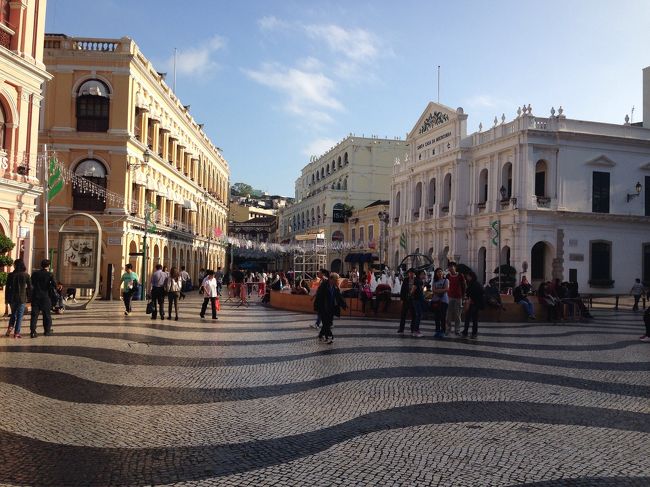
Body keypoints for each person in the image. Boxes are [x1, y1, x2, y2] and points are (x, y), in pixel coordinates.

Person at [313, 271, 347, 344]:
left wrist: (344, 304)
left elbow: (339, 297)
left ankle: (321, 334)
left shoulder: (335, 287)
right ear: (331, 279)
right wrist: (317, 307)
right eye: (336, 280)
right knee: (326, 323)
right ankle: (329, 336)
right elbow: (319, 296)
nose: (337, 282)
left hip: (331, 308)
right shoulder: (324, 285)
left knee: (328, 323)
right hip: (323, 308)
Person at [29, 259, 56, 338]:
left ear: (41, 265)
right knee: (46, 314)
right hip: (45, 296)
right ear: (48, 266)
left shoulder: (34, 274)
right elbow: (54, 285)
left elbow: (32, 283)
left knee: (34, 315)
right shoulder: (50, 274)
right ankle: (47, 331)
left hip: (35, 296)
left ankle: (33, 331)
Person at [5, 258, 30, 339]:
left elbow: (7, 288)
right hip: (22, 298)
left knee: (13, 314)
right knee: (19, 316)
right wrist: (29, 297)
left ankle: (10, 328)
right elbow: (30, 287)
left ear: (15, 265)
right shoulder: (26, 275)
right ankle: (16, 333)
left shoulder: (10, 275)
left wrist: (6, 299)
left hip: (12, 298)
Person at [398, 268, 424, 338]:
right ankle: (401, 329)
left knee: (414, 315)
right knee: (403, 314)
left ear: (414, 274)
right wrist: (402, 299)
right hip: (406, 299)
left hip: (413, 300)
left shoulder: (416, 280)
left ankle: (412, 329)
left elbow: (418, 289)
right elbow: (402, 289)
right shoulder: (406, 280)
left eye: (412, 273)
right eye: (410, 273)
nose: (411, 274)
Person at [446, 262, 466, 336]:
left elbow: (464, 286)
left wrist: (463, 296)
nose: (451, 268)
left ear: (455, 267)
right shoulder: (448, 276)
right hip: (449, 297)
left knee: (458, 315)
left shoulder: (460, 275)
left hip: (458, 297)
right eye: (449, 267)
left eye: (452, 267)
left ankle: (457, 330)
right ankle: (448, 329)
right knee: (448, 314)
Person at [462, 270, 484, 338]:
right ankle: (471, 332)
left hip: (473, 303)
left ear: (471, 276)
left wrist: (470, 300)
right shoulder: (476, 284)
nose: (467, 277)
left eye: (468, 276)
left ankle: (469, 332)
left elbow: (471, 293)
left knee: (470, 318)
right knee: (473, 319)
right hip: (475, 303)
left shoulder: (473, 284)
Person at [430, 267, 449, 338]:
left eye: (440, 271)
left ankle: (443, 331)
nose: (439, 273)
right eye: (438, 272)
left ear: (443, 273)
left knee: (443, 317)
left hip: (444, 301)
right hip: (435, 301)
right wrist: (441, 290)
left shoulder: (446, 280)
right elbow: (433, 290)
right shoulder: (434, 281)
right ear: (436, 273)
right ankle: (437, 330)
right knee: (436, 317)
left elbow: (447, 289)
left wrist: (437, 290)